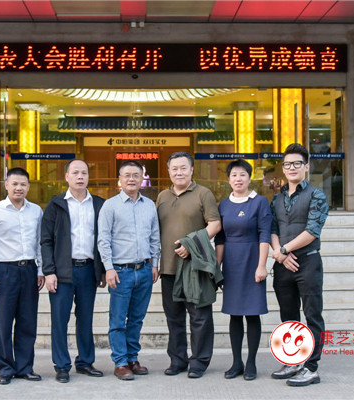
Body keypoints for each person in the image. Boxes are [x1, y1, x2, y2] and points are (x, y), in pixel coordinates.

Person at [156, 152, 221, 379]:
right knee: (173, 318)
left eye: (183, 168)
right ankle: (178, 360)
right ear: (169, 171)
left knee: (200, 318)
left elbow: (215, 224)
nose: (179, 172)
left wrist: (191, 244)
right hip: (168, 268)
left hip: (195, 268)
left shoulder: (203, 193)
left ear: (192, 170)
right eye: (174, 169)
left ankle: (199, 362)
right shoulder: (162, 196)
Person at [40, 159, 105, 383]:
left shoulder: (99, 204)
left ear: (88, 176)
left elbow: (105, 239)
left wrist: (102, 269)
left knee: (85, 319)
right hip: (62, 271)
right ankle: (61, 365)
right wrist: (49, 271)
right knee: (60, 320)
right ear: (67, 176)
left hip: (88, 270)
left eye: (84, 173)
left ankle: (85, 362)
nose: (80, 177)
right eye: (75, 173)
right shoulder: (56, 205)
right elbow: (46, 240)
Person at [0, 167, 45, 385]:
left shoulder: (36, 211)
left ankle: (25, 367)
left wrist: (40, 270)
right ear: (6, 185)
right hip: (4, 271)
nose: (19, 188)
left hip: (29, 270)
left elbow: (39, 243)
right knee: (4, 323)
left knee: (27, 322)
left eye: (23, 184)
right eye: (14, 184)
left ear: (28, 187)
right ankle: (5, 369)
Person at [270, 143, 329, 387]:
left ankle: (311, 367)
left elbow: (312, 230)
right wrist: (280, 255)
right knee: (288, 316)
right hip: (283, 264)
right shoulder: (276, 198)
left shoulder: (317, 195)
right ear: (283, 168)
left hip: (308, 262)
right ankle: (293, 360)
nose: (292, 168)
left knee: (312, 315)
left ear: (306, 166)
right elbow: (272, 229)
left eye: (297, 163)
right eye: (287, 164)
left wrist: (285, 250)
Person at [97, 160, 160, 381]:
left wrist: (154, 264)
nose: (131, 179)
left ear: (142, 178)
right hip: (120, 272)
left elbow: (154, 237)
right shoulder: (110, 206)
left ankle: (133, 358)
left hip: (144, 270)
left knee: (136, 319)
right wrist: (108, 268)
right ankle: (121, 362)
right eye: (127, 175)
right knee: (118, 320)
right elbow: (103, 240)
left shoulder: (149, 205)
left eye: (136, 175)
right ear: (120, 179)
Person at [215, 159, 272, 381]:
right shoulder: (223, 205)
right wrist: (217, 267)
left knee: (252, 312)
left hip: (252, 260)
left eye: (242, 175)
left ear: (250, 178)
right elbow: (220, 239)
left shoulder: (259, 202)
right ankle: (236, 362)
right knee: (235, 313)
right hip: (231, 262)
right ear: (228, 179)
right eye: (234, 175)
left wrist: (261, 266)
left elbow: (264, 234)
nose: (238, 179)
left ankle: (251, 363)